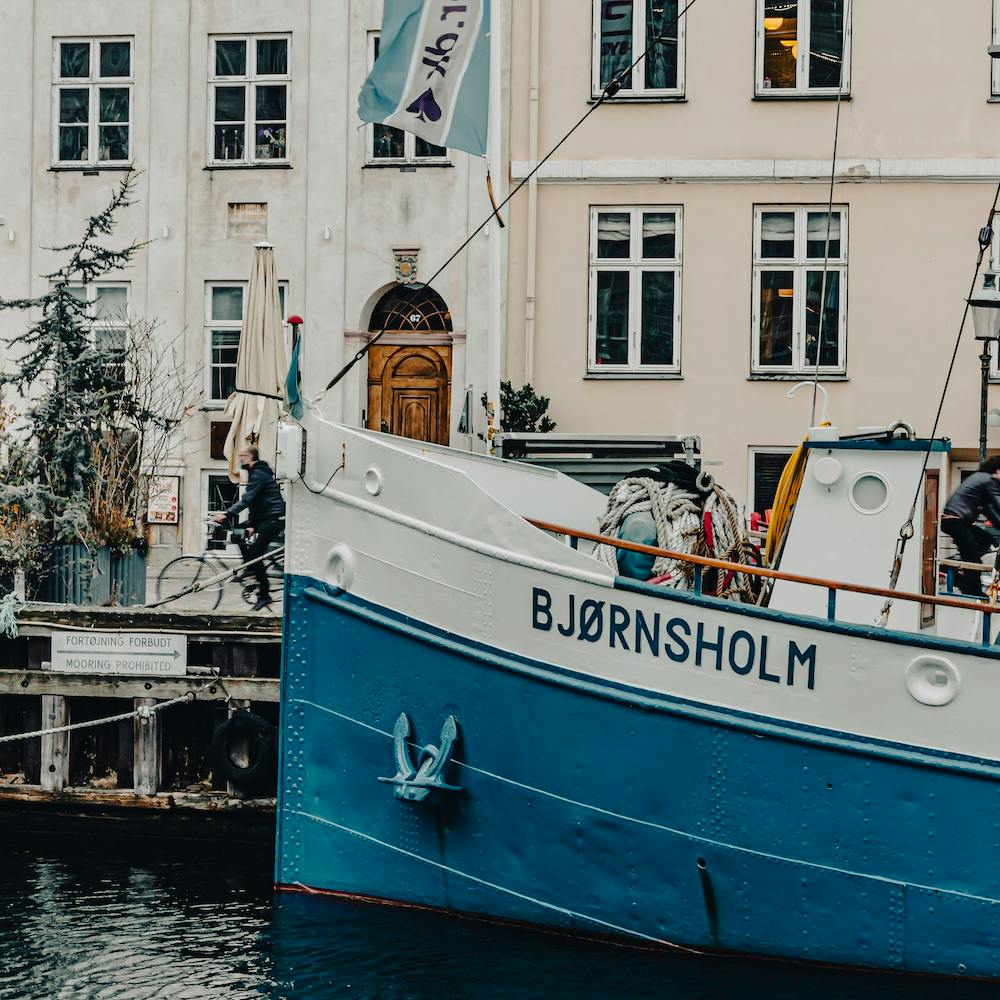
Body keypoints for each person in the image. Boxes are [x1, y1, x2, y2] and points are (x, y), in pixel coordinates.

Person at [213, 445, 285, 611]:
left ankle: (264, 595)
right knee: (238, 533)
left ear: (251, 457)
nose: (240, 459)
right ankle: (250, 568)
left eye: (242, 456)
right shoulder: (256, 473)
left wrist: (227, 514)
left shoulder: (258, 474)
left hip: (273, 519)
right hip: (264, 517)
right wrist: (251, 524)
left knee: (255, 553)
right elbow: (256, 503)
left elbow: (247, 499)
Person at [940, 456, 1000, 597]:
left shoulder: (981, 479)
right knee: (973, 558)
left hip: (957, 522)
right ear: (997, 470)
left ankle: (963, 568)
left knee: (987, 539)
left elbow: (989, 511)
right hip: (955, 521)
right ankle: (970, 588)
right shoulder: (988, 480)